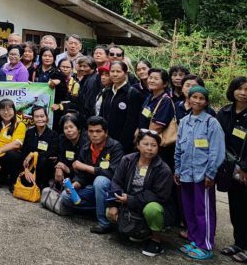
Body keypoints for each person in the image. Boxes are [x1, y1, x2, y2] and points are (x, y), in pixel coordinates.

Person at [175, 85, 225, 260]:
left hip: (203, 176)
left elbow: (217, 151)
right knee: (189, 209)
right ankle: (194, 240)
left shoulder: (211, 123)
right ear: (188, 99)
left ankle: (206, 246)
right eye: (194, 97)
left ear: (206, 102)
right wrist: (177, 169)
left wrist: (211, 174)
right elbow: (179, 147)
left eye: (201, 98)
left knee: (203, 211)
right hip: (186, 174)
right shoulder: (183, 122)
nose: (197, 101)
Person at [107, 129, 175, 257]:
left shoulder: (163, 169)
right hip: (129, 201)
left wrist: (131, 199)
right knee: (109, 212)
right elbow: (116, 181)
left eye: (154, 145)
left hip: (148, 204)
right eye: (145, 144)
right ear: (138, 145)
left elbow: (159, 195)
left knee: (152, 209)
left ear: (158, 148)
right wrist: (113, 204)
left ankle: (155, 240)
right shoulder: (127, 160)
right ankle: (135, 230)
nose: (149, 148)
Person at [60, 116, 124, 233]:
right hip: (90, 189)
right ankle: (99, 209)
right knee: (65, 196)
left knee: (100, 181)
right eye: (91, 131)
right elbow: (81, 175)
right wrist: (76, 184)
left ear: (106, 132)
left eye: (98, 131)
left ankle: (104, 223)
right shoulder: (86, 148)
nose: (94, 134)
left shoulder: (115, 147)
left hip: (110, 190)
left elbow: (113, 174)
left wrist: (85, 167)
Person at [216, 77, 247, 263]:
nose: (243, 93)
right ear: (233, 90)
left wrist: (246, 168)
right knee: (236, 208)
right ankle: (238, 242)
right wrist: (232, 167)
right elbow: (219, 139)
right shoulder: (224, 112)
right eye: (239, 89)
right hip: (230, 169)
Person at [99, 60, 144, 153]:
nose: (115, 74)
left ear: (125, 73)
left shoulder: (133, 93)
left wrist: (123, 144)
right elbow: (101, 115)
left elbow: (132, 122)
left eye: (118, 71)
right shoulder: (107, 92)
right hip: (104, 140)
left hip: (122, 144)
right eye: (112, 71)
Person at [19, 105, 59, 190]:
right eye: (36, 117)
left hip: (44, 167)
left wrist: (34, 154)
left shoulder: (53, 135)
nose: (40, 119)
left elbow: (52, 152)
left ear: (47, 117)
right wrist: (26, 169)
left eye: (42, 116)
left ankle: (42, 184)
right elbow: (24, 152)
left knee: (44, 159)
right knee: (25, 182)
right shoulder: (29, 133)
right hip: (30, 166)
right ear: (33, 118)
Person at [138, 68, 175, 137]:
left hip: (152, 141)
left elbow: (157, 127)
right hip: (142, 137)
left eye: (156, 79)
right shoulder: (150, 97)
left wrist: (144, 138)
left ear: (165, 83)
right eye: (150, 78)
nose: (151, 81)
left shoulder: (165, 101)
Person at [54, 113, 86, 188]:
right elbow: (60, 159)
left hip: (81, 177)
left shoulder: (85, 143)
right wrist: (59, 168)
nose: (69, 130)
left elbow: (83, 168)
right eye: (66, 128)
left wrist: (68, 169)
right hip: (66, 173)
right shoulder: (62, 140)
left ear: (79, 129)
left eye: (71, 127)